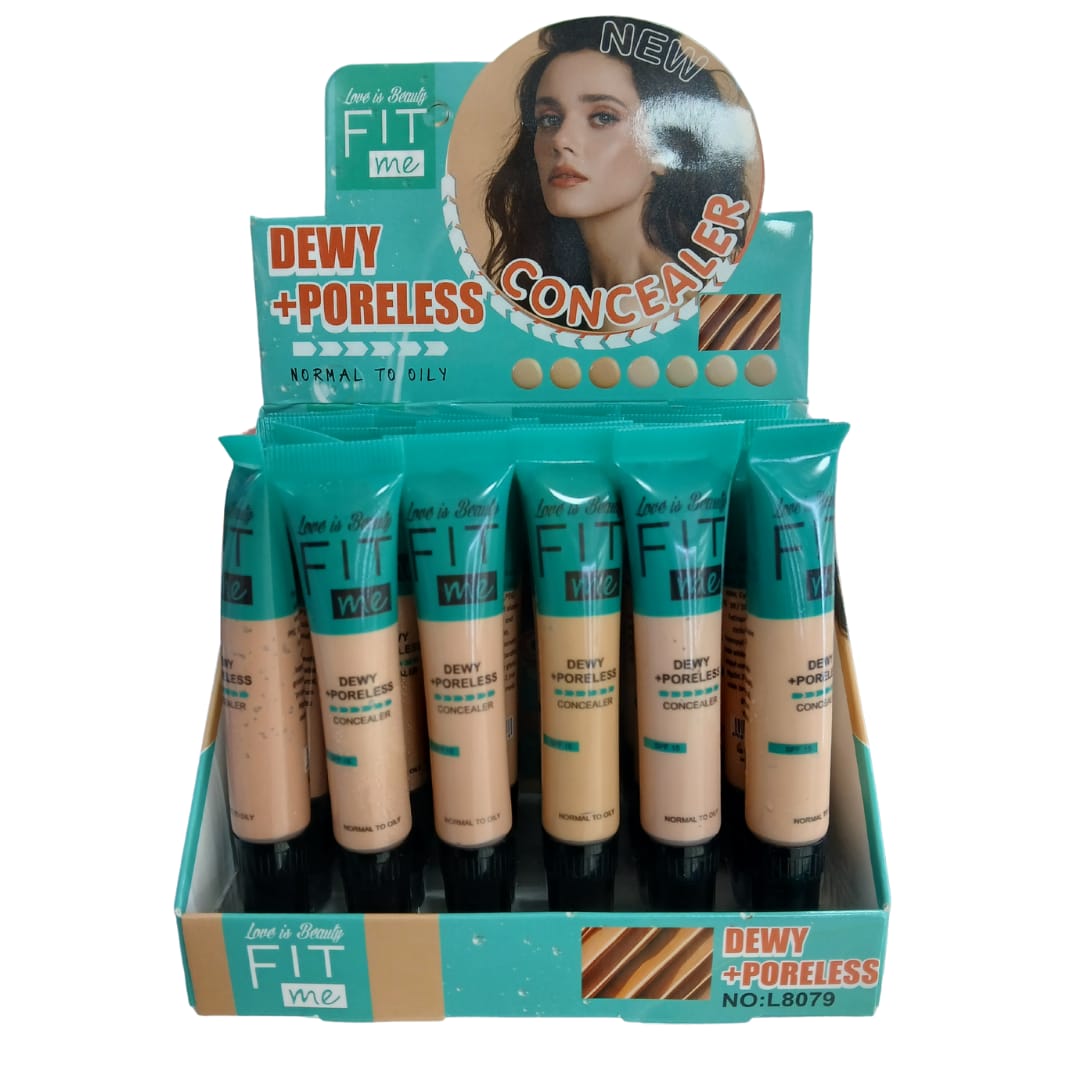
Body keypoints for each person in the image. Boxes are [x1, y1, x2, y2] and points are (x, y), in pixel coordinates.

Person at [484, 17, 759, 330]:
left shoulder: (636, 312)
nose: (561, 140)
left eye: (603, 117)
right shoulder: (569, 291)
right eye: (549, 119)